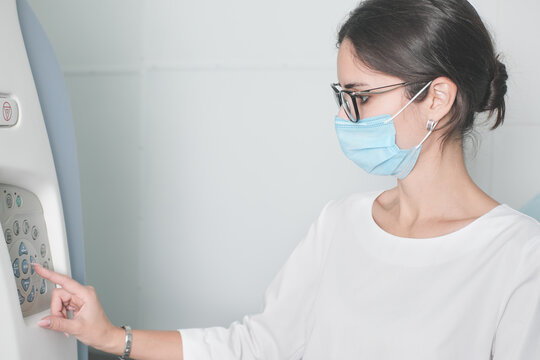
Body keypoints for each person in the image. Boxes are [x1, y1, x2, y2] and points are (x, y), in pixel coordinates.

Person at [32, 0, 540, 359]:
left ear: (437, 97)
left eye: (362, 97)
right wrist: (110, 336)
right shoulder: (341, 224)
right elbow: (258, 346)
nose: (347, 116)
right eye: (342, 96)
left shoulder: (520, 257)